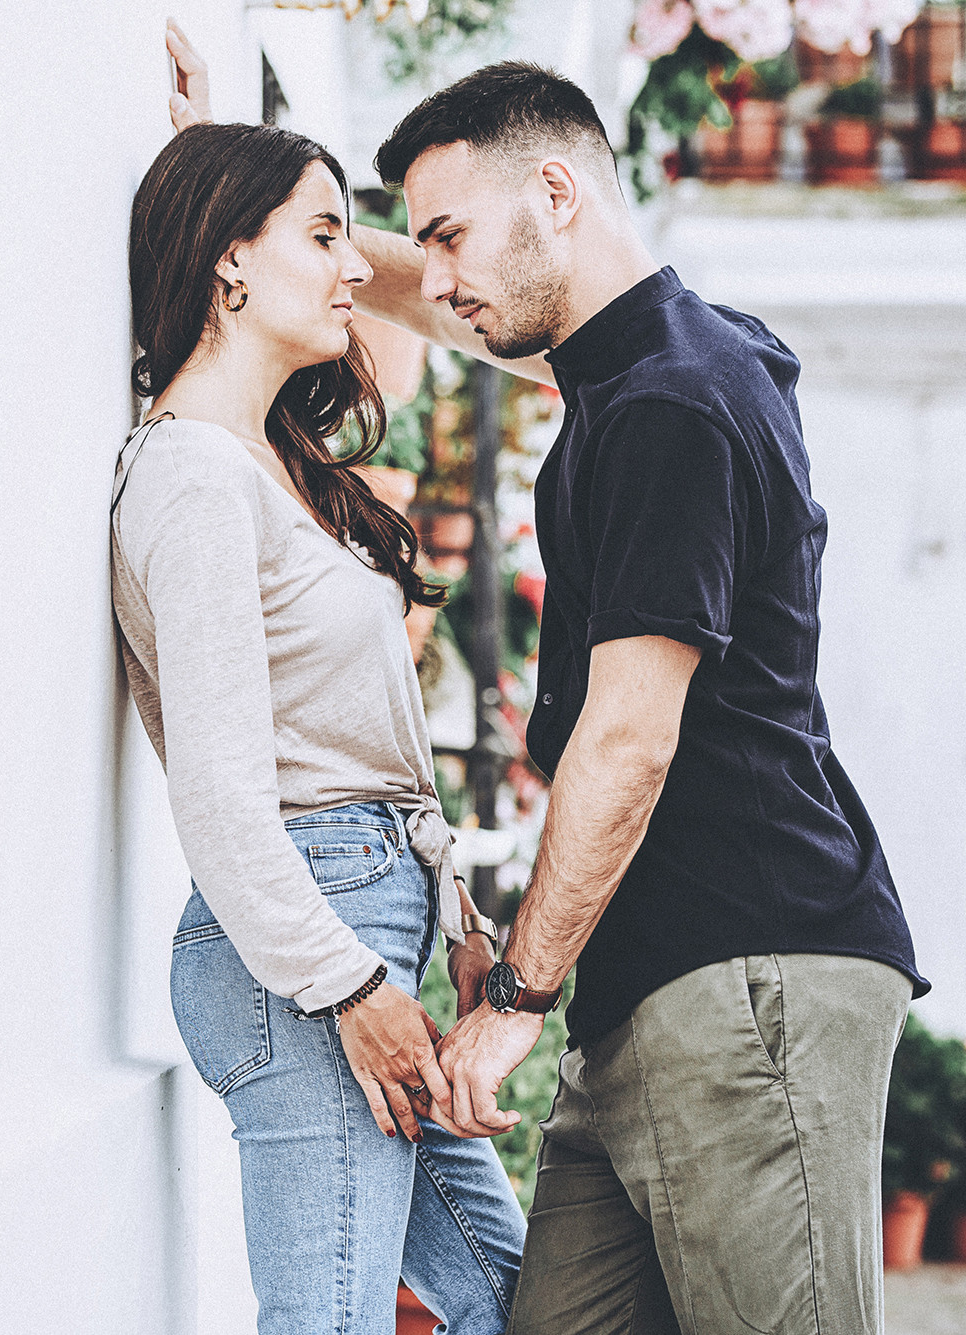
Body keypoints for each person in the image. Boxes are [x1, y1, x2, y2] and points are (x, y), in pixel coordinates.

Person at [165, 29, 928, 1335]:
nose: (435, 274)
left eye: (451, 235)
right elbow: (442, 296)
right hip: (641, 996)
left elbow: (628, 741)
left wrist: (515, 999)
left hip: (750, 975)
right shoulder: (653, 363)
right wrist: (242, 187)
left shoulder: (673, 405)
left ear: (557, 198)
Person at [114, 114, 526, 1335]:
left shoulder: (272, 467)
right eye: (326, 233)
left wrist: (450, 916)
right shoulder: (191, 478)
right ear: (228, 262)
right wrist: (349, 987)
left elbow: (366, 753)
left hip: (360, 915)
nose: (359, 268)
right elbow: (223, 797)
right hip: (303, 947)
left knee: (525, 1299)